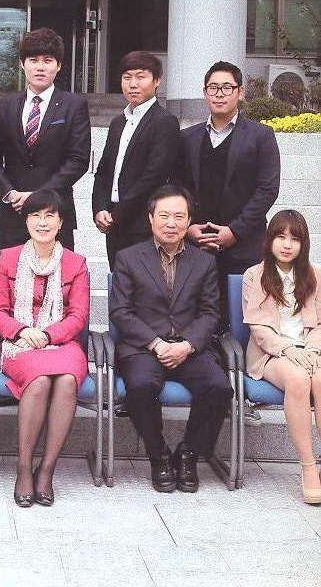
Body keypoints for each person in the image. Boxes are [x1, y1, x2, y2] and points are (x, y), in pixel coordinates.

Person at [109, 185, 233, 493]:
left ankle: (189, 454)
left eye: (179, 217)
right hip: (144, 347)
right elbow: (121, 312)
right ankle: (158, 454)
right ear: (151, 218)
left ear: (189, 221)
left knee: (219, 387)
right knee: (140, 386)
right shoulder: (128, 258)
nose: (171, 223)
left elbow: (210, 313)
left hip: (190, 348)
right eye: (164, 215)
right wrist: (157, 344)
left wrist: (187, 345)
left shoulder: (204, 261)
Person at [0, 189, 89, 507]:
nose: (42, 223)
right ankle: (23, 469)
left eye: (49, 216)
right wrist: (22, 331)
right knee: (41, 380)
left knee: (68, 380)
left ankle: (46, 470)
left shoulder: (76, 263)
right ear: (26, 221)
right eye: (35, 215)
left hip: (61, 342)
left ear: (61, 222)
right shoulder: (8, 258)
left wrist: (47, 335)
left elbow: (78, 315)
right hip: (18, 342)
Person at [178, 61, 281, 317]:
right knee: (198, 319)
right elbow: (177, 188)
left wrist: (234, 231)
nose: (219, 94)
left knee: (241, 320)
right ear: (205, 93)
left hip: (244, 245)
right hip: (197, 244)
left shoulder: (261, 135)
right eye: (213, 88)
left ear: (240, 92)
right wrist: (188, 227)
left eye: (227, 87)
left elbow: (267, 189)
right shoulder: (187, 138)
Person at [0, 28, 91, 252]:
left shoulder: (74, 106)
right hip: (12, 212)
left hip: (55, 212)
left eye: (47, 60)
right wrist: (8, 193)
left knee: (58, 274)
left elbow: (78, 160)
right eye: (33, 60)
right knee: (11, 272)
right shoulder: (6, 106)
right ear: (23, 64)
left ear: (58, 65)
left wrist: (39, 196)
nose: (40, 67)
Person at [242, 210, 321, 504]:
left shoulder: (314, 275)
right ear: (270, 239)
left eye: (295, 239)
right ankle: (308, 466)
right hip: (271, 353)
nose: (287, 245)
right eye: (280, 236)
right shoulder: (255, 275)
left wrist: (311, 349)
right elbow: (258, 328)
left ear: (304, 244)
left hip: (309, 349)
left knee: (320, 378)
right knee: (298, 379)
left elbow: (320, 324)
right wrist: (288, 349)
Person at [92, 51, 180, 269]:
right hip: (113, 223)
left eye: (141, 77)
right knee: (117, 282)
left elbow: (153, 175)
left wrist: (118, 214)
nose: (133, 84)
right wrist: (99, 209)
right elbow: (103, 170)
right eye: (127, 77)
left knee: (145, 285)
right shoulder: (118, 122)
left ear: (157, 80)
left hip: (143, 224)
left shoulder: (165, 122)